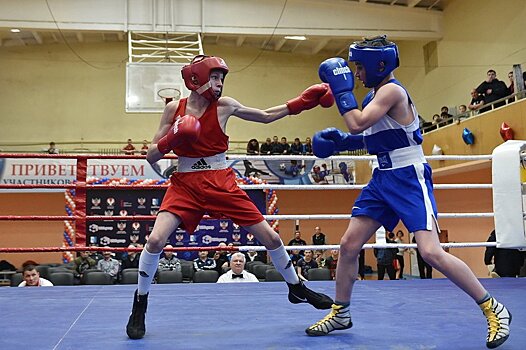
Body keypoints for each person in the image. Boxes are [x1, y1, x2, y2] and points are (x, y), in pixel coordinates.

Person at [306, 35, 511, 349]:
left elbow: (357, 125)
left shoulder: (391, 91)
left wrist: (340, 89)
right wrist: (341, 143)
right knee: (348, 245)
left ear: (379, 65)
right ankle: (341, 312)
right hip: (382, 177)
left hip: (409, 175)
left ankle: (492, 307)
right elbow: (370, 139)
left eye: (359, 67)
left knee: (430, 252)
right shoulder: (374, 97)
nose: (356, 74)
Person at [126, 55, 334, 340]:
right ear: (196, 78)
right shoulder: (175, 109)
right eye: (214, 77)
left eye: (222, 77)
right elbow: (151, 156)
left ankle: (296, 287)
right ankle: (140, 303)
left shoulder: (225, 106)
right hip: (185, 184)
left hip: (221, 180)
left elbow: (265, 116)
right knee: (154, 240)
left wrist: (300, 102)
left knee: (271, 239)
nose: (220, 83)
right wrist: (171, 138)